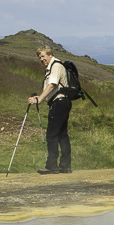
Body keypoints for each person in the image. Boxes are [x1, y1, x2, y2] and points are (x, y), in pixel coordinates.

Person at [28, 46, 77, 174]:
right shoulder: (56, 66)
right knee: (62, 135)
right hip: (63, 102)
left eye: (43, 56)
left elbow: (52, 85)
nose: (41, 59)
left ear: (50, 54)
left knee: (52, 135)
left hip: (59, 103)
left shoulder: (55, 66)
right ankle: (65, 165)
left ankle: (51, 166)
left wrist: (39, 99)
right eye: (39, 57)